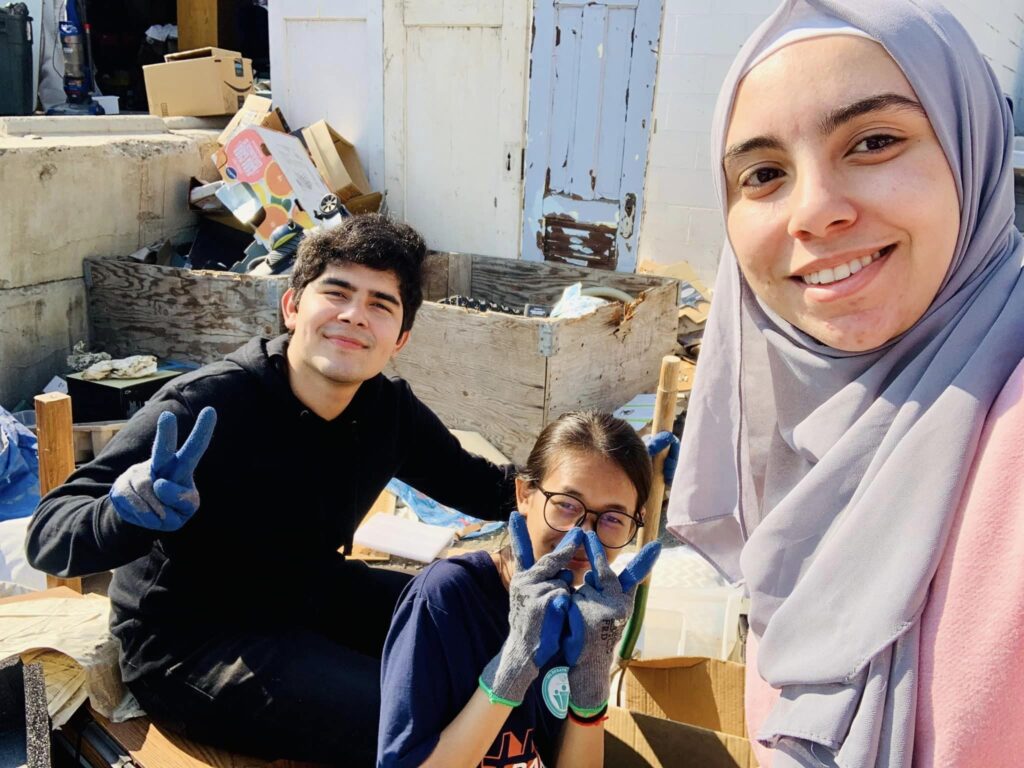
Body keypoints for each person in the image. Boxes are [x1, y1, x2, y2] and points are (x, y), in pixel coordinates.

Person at [665, 1, 1024, 766]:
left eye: (875, 141)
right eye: (763, 175)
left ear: (973, 150)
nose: (815, 210)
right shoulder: (791, 442)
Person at [25, 214, 518, 766]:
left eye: (381, 304)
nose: (355, 315)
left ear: (399, 338)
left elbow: (490, 489)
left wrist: (585, 481)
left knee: (481, 615)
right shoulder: (206, 405)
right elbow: (49, 534)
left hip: (309, 590)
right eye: (337, 292)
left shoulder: (388, 410)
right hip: (193, 640)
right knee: (409, 709)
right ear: (292, 307)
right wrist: (125, 515)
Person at [378, 411, 662, 767]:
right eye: (566, 506)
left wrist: (592, 683)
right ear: (525, 493)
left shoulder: (585, 617)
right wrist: (512, 667)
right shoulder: (446, 598)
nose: (583, 537)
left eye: (612, 519)